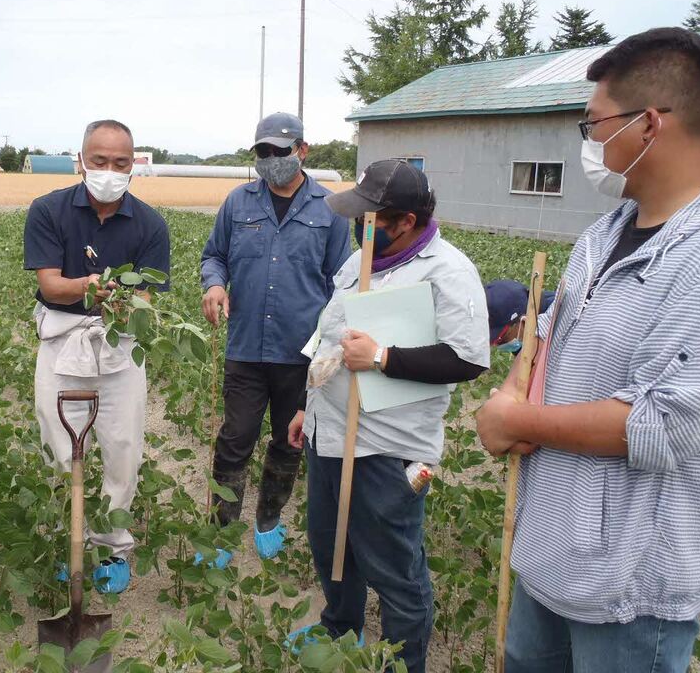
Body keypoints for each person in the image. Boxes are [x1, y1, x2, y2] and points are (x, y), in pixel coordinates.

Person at [476, 27, 700, 672]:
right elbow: (546, 340)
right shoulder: (600, 238)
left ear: (651, 126)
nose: (591, 143)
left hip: (628, 586)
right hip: (550, 551)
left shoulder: (697, 257)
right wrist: (516, 385)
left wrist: (519, 420)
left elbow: (666, 424)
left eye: (595, 124)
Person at [286, 159, 489, 673]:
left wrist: (383, 357)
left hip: (387, 446)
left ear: (406, 221)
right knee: (332, 545)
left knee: (394, 564)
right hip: (328, 433)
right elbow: (330, 337)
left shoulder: (448, 271)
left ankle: (404, 661)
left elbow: (467, 359)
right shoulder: (362, 260)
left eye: (371, 217)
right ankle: (341, 629)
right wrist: (305, 408)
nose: (360, 226)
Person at [24, 119, 170, 595]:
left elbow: (144, 297)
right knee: (60, 447)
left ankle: (111, 545)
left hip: (121, 343)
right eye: (100, 161)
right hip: (63, 341)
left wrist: (121, 300)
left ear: (134, 164)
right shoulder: (49, 210)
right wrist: (92, 288)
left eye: (121, 163)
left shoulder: (149, 223)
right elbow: (50, 285)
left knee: (122, 447)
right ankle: (71, 540)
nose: (110, 170)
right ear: (81, 159)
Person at [200, 112, 351, 564]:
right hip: (246, 347)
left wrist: (330, 348)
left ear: (302, 150)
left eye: (279, 152)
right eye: (262, 153)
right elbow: (215, 257)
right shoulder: (237, 202)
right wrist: (214, 284)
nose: (269, 161)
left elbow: (341, 283)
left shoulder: (331, 209)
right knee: (235, 437)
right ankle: (222, 531)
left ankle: (269, 518)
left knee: (290, 440)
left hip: (301, 354)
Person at [484, 279, 556, 353]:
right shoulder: (524, 334)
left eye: (501, 340)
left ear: (524, 322)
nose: (497, 345)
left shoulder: (559, 327)